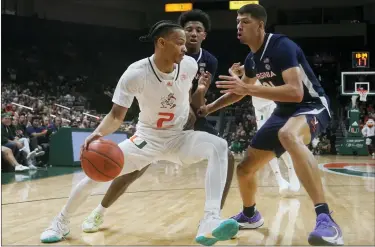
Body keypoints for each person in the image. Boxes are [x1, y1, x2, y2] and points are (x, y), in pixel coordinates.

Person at [40, 20, 239, 246]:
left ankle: (210, 220)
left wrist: (200, 93)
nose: (185, 48)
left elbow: (187, 100)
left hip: (179, 138)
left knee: (220, 147)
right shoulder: (135, 73)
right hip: (147, 140)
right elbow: (116, 116)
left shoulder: (190, 66)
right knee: (95, 176)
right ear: (161, 43)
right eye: (180, 42)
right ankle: (61, 221)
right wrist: (97, 133)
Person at [198, 4, 343, 246]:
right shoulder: (252, 59)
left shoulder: (281, 46)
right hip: (283, 111)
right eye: (237, 22)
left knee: (288, 135)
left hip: (312, 105)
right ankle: (250, 214)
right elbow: (239, 93)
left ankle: (326, 218)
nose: (238, 26)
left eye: (244, 21)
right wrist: (208, 108)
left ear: (260, 25)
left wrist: (248, 87)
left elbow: (296, 93)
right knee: (245, 169)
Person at [230, 63, 300, 195]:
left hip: (273, 105)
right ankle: (280, 180)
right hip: (259, 109)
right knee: (265, 146)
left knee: (280, 141)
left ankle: (292, 172)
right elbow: (241, 81)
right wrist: (234, 72)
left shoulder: (269, 63)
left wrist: (235, 74)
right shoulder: (251, 64)